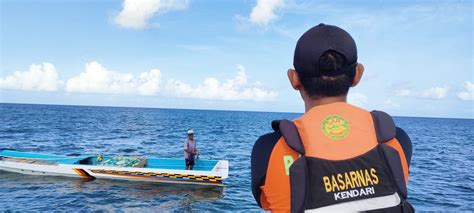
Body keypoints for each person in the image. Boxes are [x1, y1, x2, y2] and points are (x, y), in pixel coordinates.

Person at [251, 23, 414, 212]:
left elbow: (267, 202)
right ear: (357, 75)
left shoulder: (269, 148)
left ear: (294, 79)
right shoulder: (395, 139)